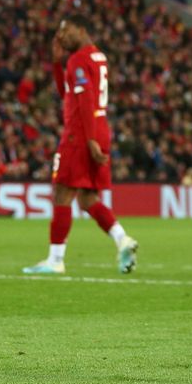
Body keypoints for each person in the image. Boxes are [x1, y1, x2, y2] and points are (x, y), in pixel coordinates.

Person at [23, 15, 138, 275]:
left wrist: (89, 141)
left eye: (67, 30)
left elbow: (84, 101)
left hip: (80, 134)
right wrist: (55, 64)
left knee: (62, 193)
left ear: (81, 29)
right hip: (99, 127)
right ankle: (123, 239)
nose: (62, 36)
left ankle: (55, 260)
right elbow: (69, 96)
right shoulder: (97, 57)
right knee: (87, 198)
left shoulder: (78, 59)